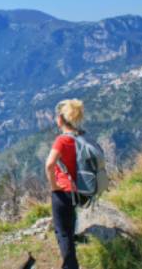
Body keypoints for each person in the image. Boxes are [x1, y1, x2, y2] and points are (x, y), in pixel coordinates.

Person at [45, 99, 84, 269]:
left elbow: (49, 164)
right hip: (80, 188)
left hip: (64, 191)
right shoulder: (81, 135)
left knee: (62, 232)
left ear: (60, 119)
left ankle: (70, 266)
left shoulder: (62, 140)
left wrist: (53, 186)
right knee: (71, 219)